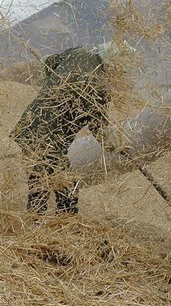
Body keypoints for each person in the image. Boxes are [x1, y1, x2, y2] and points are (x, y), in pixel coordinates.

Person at [11, 42, 128, 214]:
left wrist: (57, 86)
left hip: (29, 124)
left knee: (40, 177)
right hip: (51, 139)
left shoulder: (76, 52)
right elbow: (98, 127)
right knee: (66, 183)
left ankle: (35, 221)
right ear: (113, 66)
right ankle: (64, 221)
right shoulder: (100, 88)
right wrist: (117, 145)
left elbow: (46, 63)